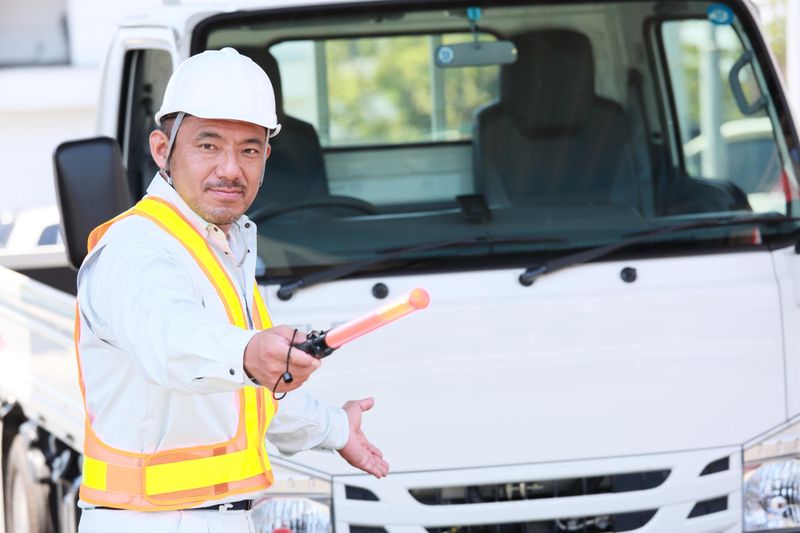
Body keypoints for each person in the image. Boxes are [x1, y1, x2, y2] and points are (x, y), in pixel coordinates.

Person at [75, 47, 388, 533]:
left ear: (266, 157)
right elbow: (171, 338)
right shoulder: (136, 248)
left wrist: (334, 428)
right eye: (208, 145)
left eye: (249, 150)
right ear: (161, 150)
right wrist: (247, 353)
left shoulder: (223, 247)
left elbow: (245, 394)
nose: (230, 169)